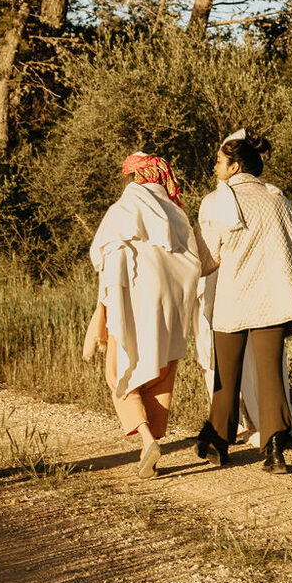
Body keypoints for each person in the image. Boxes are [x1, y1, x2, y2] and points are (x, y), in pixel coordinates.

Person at [195, 129, 292, 474]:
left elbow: (208, 259)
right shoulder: (277, 199)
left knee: (225, 375)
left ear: (235, 166)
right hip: (272, 299)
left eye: (218, 161)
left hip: (232, 300)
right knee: (270, 375)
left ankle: (216, 443)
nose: (214, 166)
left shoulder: (215, 202)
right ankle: (275, 451)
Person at [83, 152, 200, 479]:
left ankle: (147, 440)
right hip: (170, 305)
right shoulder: (176, 214)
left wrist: (102, 312)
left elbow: (110, 265)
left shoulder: (122, 211)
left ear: (134, 177)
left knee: (119, 372)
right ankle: (152, 441)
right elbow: (191, 264)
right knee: (159, 373)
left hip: (132, 300)